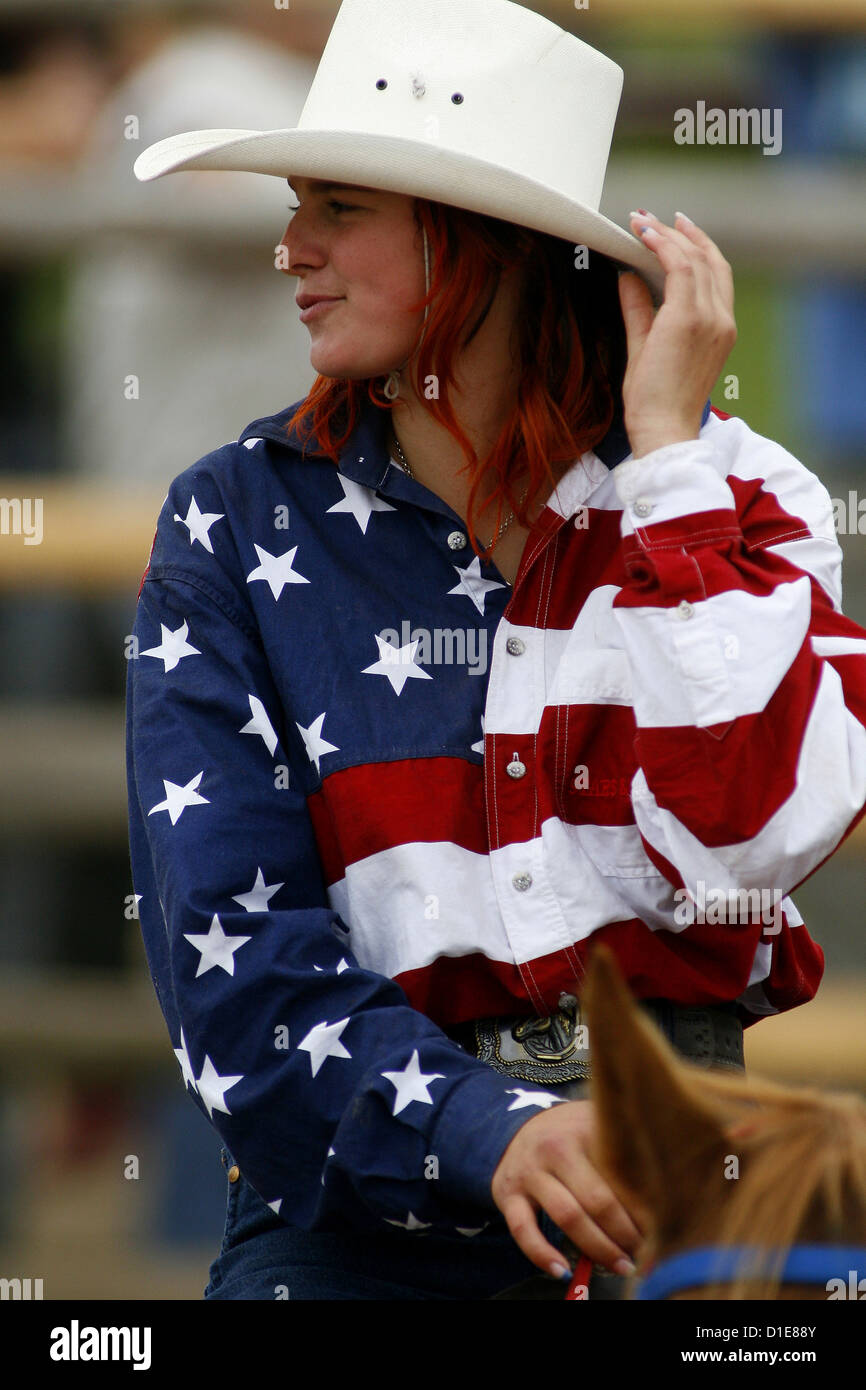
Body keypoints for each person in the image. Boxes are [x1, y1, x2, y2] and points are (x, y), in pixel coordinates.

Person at [126, 0, 866, 1300]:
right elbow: (228, 950)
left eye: (339, 206)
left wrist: (670, 462)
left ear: (480, 240)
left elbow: (753, 836)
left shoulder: (738, 501)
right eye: (299, 203)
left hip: (675, 1181)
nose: (289, 247)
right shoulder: (230, 520)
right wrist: (492, 1128)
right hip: (360, 1205)